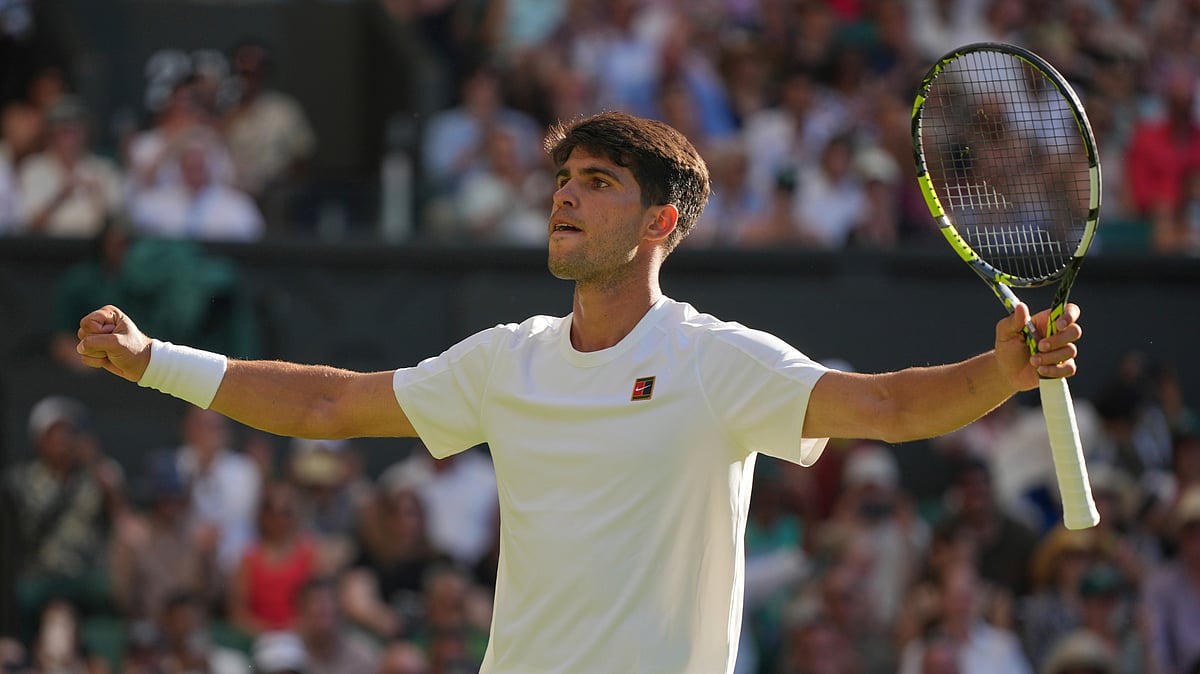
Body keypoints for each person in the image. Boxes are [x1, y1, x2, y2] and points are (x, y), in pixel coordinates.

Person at [74, 111, 1085, 674]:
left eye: (598, 181)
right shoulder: (504, 360)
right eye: (565, 177)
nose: (564, 192)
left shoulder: (718, 360)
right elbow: (331, 406)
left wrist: (1000, 369)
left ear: (661, 224)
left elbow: (892, 407)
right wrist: (158, 357)